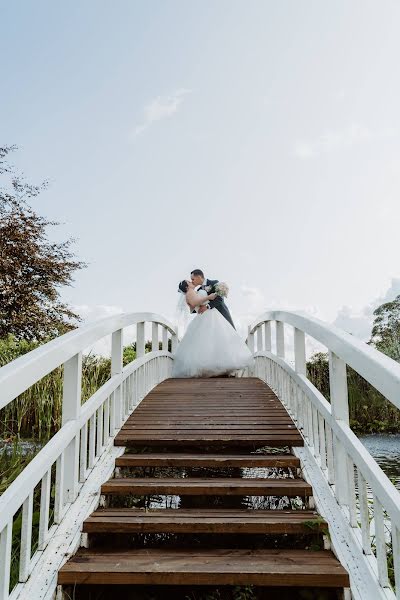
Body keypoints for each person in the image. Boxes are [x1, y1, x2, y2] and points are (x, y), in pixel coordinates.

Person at [172, 279, 253, 378]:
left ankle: (219, 365)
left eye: (192, 279)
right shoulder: (190, 293)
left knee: (216, 339)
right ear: (186, 286)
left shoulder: (194, 291)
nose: (191, 281)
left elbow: (193, 307)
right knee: (209, 340)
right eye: (189, 281)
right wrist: (209, 297)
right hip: (206, 315)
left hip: (210, 314)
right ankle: (211, 367)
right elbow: (195, 302)